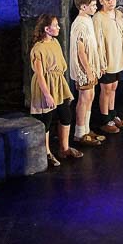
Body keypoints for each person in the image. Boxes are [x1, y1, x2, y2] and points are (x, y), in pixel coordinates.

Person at [30, 14, 82, 166]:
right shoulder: (38, 48)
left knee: (66, 115)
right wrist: (47, 95)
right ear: (47, 29)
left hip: (58, 82)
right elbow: (40, 75)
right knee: (46, 120)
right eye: (55, 25)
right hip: (45, 85)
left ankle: (64, 148)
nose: (58, 27)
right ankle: (47, 153)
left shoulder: (55, 42)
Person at [70, 0, 105, 146]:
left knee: (90, 96)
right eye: (93, 5)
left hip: (91, 66)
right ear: (83, 7)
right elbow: (81, 51)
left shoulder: (88, 20)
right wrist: (89, 71)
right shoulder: (79, 24)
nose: (95, 7)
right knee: (84, 98)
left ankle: (86, 129)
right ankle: (79, 133)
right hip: (84, 69)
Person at [93, 0, 123, 134]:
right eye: (107, 0)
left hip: (118, 57)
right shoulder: (98, 18)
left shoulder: (119, 14)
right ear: (101, 1)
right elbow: (98, 41)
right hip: (107, 59)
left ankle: (112, 114)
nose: (111, 2)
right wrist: (101, 62)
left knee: (114, 87)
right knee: (106, 88)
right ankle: (104, 119)